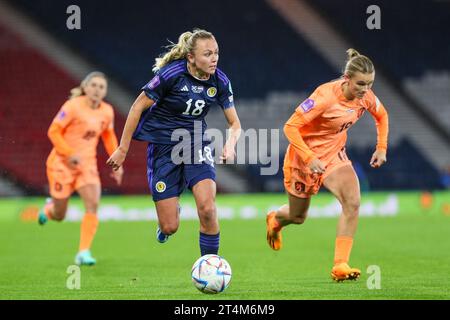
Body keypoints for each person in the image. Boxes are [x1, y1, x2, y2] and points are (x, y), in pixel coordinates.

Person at [106, 29, 241, 257]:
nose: (214, 58)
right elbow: (137, 106)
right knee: (170, 226)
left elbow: (234, 123)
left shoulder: (220, 80)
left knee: (207, 209)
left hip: (195, 143)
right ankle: (169, 216)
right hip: (163, 147)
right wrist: (122, 149)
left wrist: (230, 145)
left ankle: (210, 264)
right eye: (207, 54)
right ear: (191, 57)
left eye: (216, 53)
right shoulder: (171, 75)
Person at [266, 49, 389, 282]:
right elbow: (290, 127)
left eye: (369, 84)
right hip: (303, 159)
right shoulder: (324, 97)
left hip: (333, 156)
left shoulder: (367, 97)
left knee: (352, 202)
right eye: (360, 84)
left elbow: (382, 116)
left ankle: (340, 264)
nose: (364, 89)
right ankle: (275, 220)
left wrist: (381, 147)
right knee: (298, 216)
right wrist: (309, 157)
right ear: (346, 79)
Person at [38, 71, 124, 266]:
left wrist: (117, 164)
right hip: (61, 164)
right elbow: (53, 131)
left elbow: (108, 136)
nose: (97, 89)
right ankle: (50, 208)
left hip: (87, 165)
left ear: (105, 91)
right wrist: (69, 153)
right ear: (85, 87)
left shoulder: (107, 111)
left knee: (93, 204)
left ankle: (83, 251)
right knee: (60, 215)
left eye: (101, 87)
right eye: (93, 85)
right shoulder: (72, 107)